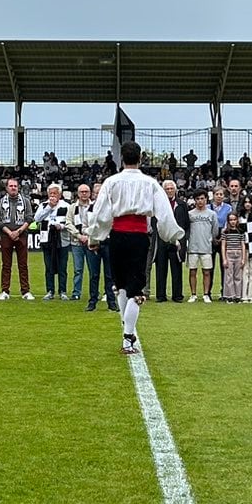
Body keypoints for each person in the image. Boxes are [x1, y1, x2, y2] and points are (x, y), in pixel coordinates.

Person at [85, 140, 184, 354]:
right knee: (135, 289)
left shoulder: (111, 182)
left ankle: (126, 327)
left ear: (122, 159)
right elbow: (165, 213)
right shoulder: (150, 183)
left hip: (117, 235)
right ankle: (128, 337)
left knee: (121, 285)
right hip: (138, 237)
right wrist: (173, 236)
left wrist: (94, 238)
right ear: (140, 159)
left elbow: (100, 212)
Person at [0, 176, 34, 300]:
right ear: (6, 188)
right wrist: (9, 232)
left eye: (15, 186)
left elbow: (29, 218)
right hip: (6, 235)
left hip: (21, 235)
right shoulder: (1, 202)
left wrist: (18, 231)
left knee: (23, 265)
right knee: (6, 265)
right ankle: (5, 291)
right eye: (11, 186)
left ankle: (25, 291)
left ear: (18, 188)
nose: (13, 188)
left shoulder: (26, 201)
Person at [155, 178, 191, 303]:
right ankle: (160, 295)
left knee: (177, 269)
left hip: (177, 241)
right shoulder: (158, 205)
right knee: (161, 269)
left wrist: (182, 240)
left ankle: (177, 295)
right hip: (162, 240)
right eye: (167, 189)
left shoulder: (182, 205)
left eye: (171, 189)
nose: (169, 191)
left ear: (175, 190)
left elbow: (186, 224)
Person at [35, 182, 71, 300]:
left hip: (62, 240)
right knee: (49, 267)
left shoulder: (66, 206)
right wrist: (49, 207)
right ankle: (50, 291)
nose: (52, 196)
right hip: (47, 241)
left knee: (62, 267)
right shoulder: (43, 205)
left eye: (55, 193)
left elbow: (70, 222)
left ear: (60, 195)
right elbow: (37, 219)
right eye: (50, 193)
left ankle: (63, 291)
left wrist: (62, 226)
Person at [184, 191, 218, 302]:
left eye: (202, 198)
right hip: (193, 247)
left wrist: (210, 240)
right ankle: (193, 294)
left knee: (206, 272)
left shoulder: (211, 214)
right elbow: (187, 230)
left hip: (206, 247)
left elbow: (215, 230)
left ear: (206, 199)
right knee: (192, 271)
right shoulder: (190, 214)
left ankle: (206, 294)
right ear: (195, 200)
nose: (200, 201)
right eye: (197, 198)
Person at [219, 179, 249, 302]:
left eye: (236, 186)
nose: (234, 188)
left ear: (240, 187)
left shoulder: (244, 201)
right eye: (231, 186)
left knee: (238, 275)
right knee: (226, 272)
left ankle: (238, 295)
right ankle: (226, 294)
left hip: (240, 238)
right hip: (228, 243)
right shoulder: (225, 203)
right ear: (229, 188)